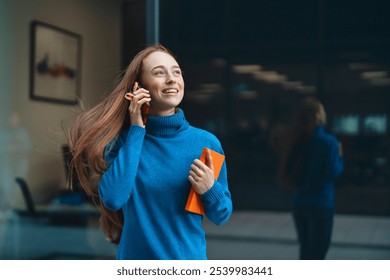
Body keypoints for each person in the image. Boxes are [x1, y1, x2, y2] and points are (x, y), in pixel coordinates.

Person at [67, 44, 232, 260]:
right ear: (139, 87)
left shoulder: (206, 143)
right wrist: (137, 129)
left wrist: (210, 188)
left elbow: (222, 214)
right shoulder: (125, 141)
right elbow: (113, 199)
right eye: (159, 73)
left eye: (176, 72)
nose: (171, 79)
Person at [277, 97, 344, 260]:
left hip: (299, 202)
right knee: (318, 253)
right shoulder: (329, 142)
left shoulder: (294, 140)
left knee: (305, 251)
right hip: (321, 203)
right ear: (319, 115)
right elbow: (334, 171)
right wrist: (340, 155)